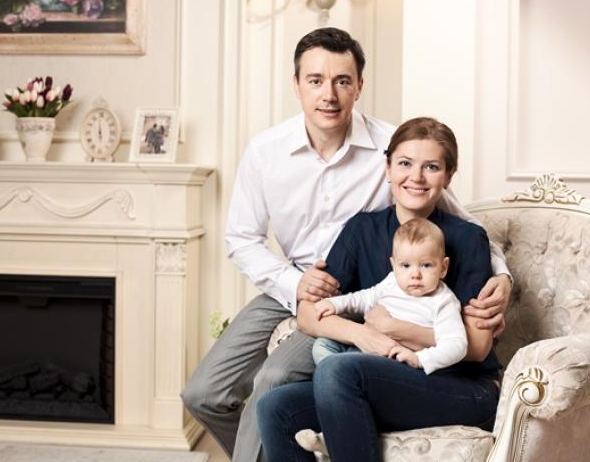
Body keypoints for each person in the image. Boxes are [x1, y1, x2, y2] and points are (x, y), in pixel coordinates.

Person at [181, 28, 510, 462]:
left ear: (359, 86)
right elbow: (242, 239)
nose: (329, 95)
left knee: (276, 380)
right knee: (203, 393)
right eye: (315, 80)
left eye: (342, 81)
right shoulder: (266, 152)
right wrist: (296, 284)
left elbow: (458, 223)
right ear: (296, 84)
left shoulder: (394, 146)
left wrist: (503, 275)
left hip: (363, 290)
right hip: (292, 283)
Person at [256, 116, 501, 462]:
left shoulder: (467, 238)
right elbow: (309, 314)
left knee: (339, 370)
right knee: (276, 407)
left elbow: (476, 347)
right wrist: (364, 335)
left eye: (431, 167)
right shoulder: (361, 230)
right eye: (405, 164)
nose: (416, 177)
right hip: (391, 377)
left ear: (448, 176)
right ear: (387, 169)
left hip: (462, 387)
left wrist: (394, 329)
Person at [311, 217, 467, 376]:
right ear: (394, 266)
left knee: (343, 367)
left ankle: (346, 376)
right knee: (322, 345)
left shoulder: (443, 301)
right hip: (367, 345)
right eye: (405, 265)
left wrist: (420, 359)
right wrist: (336, 304)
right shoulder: (392, 282)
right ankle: (341, 376)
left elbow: (457, 345)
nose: (415, 274)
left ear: (443, 268)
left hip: (396, 362)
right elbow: (365, 298)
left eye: (426, 265)